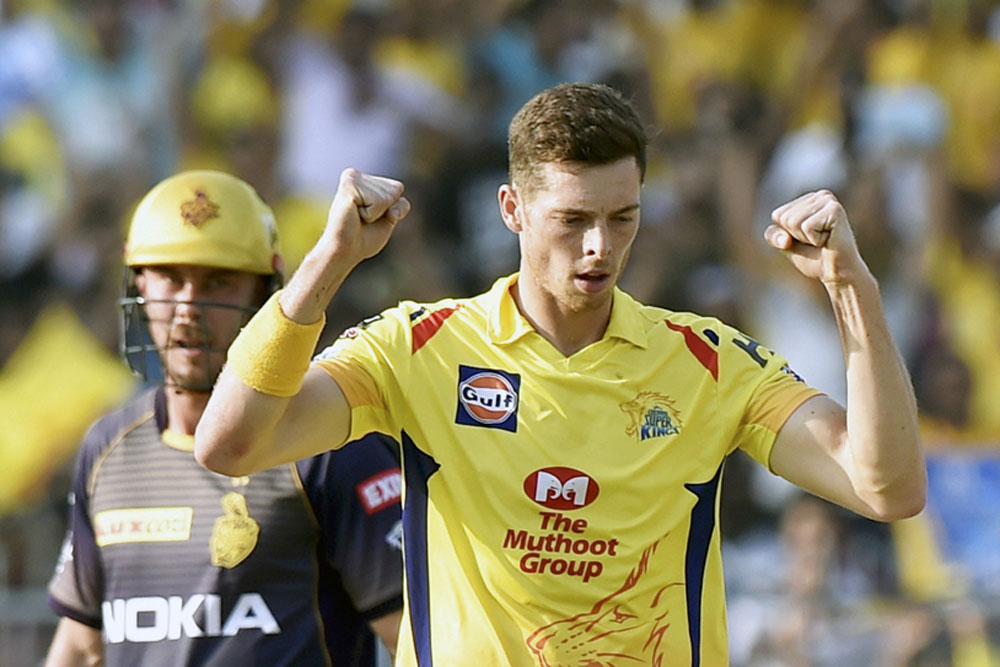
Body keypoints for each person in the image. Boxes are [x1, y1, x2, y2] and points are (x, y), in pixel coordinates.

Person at [195, 83, 926, 664]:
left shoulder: (707, 362)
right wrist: (329, 262)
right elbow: (231, 444)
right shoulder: (420, 347)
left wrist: (850, 286)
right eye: (573, 219)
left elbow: (885, 486)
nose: (600, 247)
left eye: (623, 217)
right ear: (512, 208)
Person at [44, 170, 404, 666]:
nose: (188, 306)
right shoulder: (107, 447)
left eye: (218, 280)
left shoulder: (326, 444)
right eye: (170, 277)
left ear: (263, 294)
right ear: (138, 285)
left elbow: (410, 636)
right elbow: (82, 646)